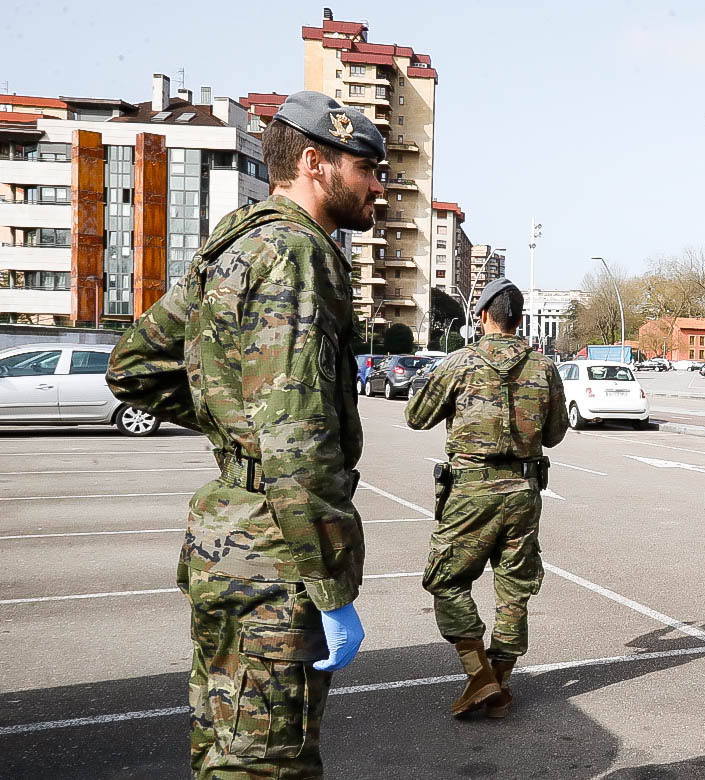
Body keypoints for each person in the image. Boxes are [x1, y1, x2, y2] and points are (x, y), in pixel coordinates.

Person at [106, 91, 385, 777]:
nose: (378, 187)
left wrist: (236, 424)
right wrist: (329, 588)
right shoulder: (295, 254)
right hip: (275, 555)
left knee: (224, 751)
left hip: (226, 541)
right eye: (367, 169)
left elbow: (135, 365)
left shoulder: (234, 246)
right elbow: (295, 437)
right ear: (316, 163)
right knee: (266, 764)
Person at [404, 278, 569, 718]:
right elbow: (554, 435)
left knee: (446, 579)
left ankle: (479, 676)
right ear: (518, 319)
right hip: (524, 491)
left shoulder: (459, 363)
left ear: (481, 317)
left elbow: (417, 417)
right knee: (514, 588)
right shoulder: (544, 367)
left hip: (471, 492)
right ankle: (501, 681)